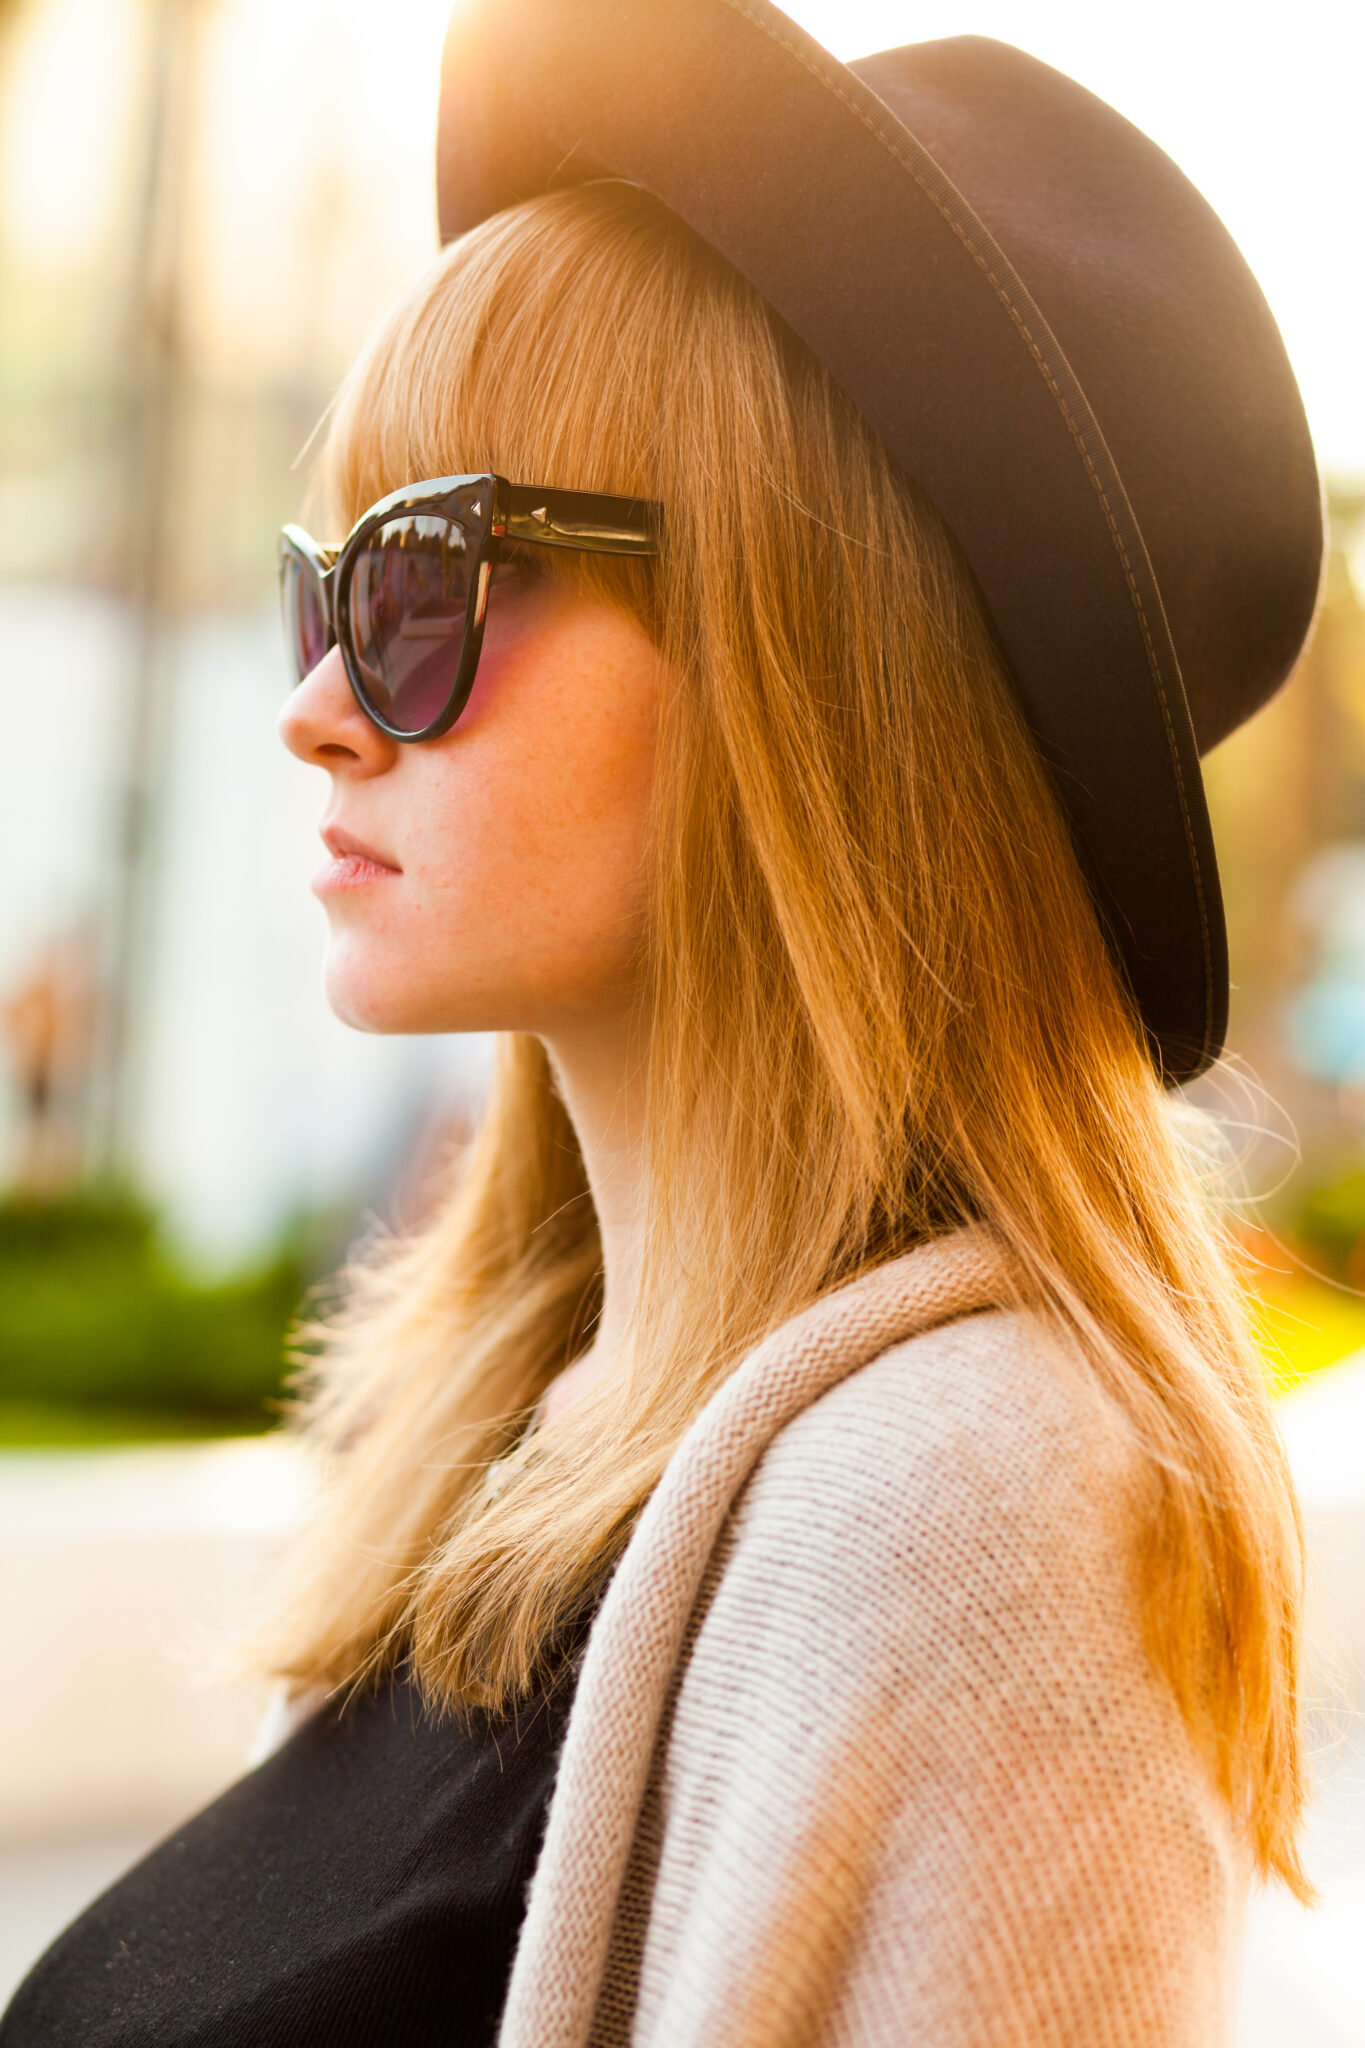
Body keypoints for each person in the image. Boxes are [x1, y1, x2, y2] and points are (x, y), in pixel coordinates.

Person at [2, 4, 1324, 2044]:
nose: (316, 701)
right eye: (322, 581)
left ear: (806, 668)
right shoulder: (510, 1424)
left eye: (429, 579)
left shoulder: (968, 1507)